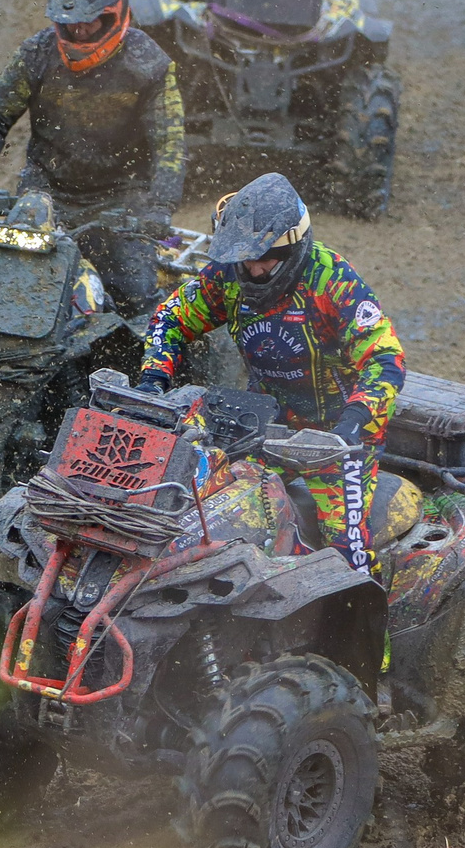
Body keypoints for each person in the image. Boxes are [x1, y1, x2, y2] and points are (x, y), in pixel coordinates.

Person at [135, 174, 406, 573]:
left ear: (292, 251)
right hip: (262, 428)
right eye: (246, 260)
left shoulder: (333, 281)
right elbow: (170, 318)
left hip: (337, 440)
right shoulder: (228, 276)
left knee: (346, 557)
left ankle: (372, 626)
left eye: (264, 261)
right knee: (209, 517)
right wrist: (152, 381)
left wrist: (353, 422)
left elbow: (385, 359)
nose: (254, 271)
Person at [0, 0, 186, 319]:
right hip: (45, 190)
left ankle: (152, 369)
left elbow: (170, 144)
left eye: (88, 21)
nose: (78, 31)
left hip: (123, 198)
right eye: (69, 23)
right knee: (14, 281)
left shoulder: (150, 66)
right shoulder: (37, 53)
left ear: (114, 15)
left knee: (138, 292)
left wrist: (159, 208)